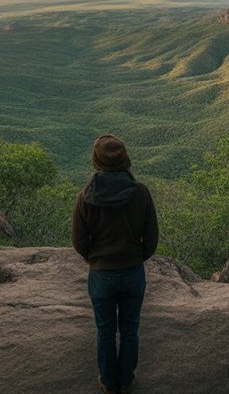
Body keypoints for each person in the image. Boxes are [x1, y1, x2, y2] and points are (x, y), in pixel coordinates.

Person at [72, 134, 159, 394]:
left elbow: (79, 242)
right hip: (133, 272)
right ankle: (127, 379)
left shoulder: (85, 197)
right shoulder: (141, 192)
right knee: (130, 329)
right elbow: (151, 238)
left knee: (105, 330)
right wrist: (135, 257)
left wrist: (95, 258)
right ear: (124, 159)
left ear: (96, 161)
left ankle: (109, 382)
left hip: (101, 274)